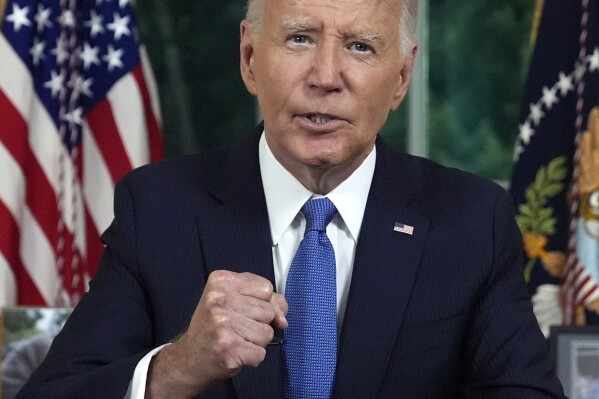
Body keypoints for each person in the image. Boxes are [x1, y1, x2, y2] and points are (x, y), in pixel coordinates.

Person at [17, 0, 566, 397]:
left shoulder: (471, 221)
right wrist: (178, 367)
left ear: (401, 77)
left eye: (359, 46)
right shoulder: (158, 208)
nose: (326, 77)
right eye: (300, 37)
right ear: (250, 57)